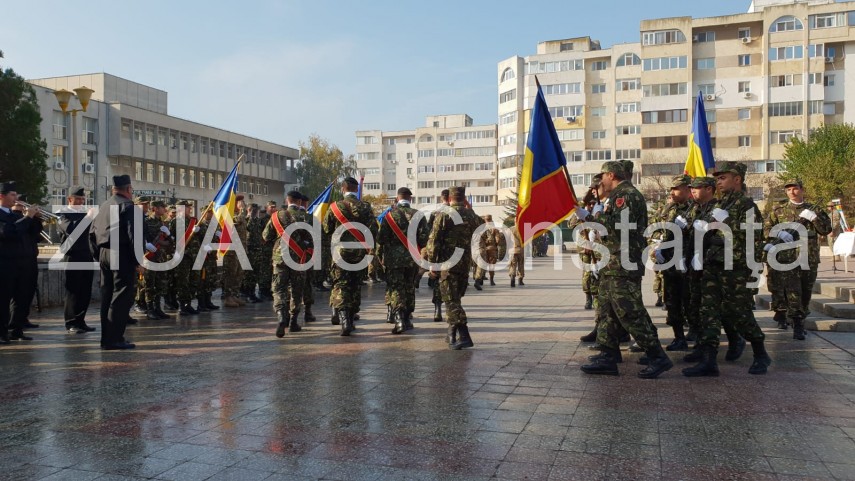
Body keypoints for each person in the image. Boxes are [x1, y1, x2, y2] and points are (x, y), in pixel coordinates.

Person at [578, 161, 673, 378]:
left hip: (623, 262)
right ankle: (608, 356)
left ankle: (658, 356)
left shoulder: (627, 195)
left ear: (611, 175)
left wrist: (592, 217)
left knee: (629, 312)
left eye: (602, 176)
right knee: (607, 311)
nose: (600, 181)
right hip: (612, 262)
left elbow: (618, 227)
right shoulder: (617, 196)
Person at [683, 162, 771, 376]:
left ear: (737, 179)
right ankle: (709, 361)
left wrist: (724, 224)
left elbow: (751, 237)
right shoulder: (722, 205)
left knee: (738, 313)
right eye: (717, 178)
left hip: (736, 267)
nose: (718, 182)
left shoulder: (746, 205)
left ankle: (761, 353)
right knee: (708, 312)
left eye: (723, 178)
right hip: (713, 265)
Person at [763, 178, 832, 340]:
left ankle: (800, 317)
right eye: (788, 190)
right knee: (793, 292)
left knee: (806, 291)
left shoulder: (814, 209)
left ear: (802, 189)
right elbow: (766, 228)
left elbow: (826, 230)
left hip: (809, 257)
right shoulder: (778, 210)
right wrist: (778, 233)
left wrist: (814, 218)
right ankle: (797, 324)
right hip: (787, 258)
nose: (792, 192)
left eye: (795, 189)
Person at [425, 186, 484, 349]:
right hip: (465, 263)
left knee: (450, 300)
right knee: (454, 298)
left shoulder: (444, 215)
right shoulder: (473, 216)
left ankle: (464, 334)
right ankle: (451, 334)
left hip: (447, 264)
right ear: (463, 198)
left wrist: (432, 264)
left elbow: (433, 241)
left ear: (450, 198)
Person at [323, 177, 376, 336]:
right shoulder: (365, 207)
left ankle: (344, 319)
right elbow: (373, 229)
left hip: (340, 252)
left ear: (343, 189)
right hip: (359, 252)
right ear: (356, 189)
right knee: (355, 284)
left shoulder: (335, 207)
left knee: (341, 284)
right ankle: (351, 319)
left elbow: (326, 229)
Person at [90, 175, 139, 350]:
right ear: (129, 189)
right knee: (121, 298)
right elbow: (134, 235)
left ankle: (106, 338)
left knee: (107, 296)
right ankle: (115, 339)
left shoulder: (104, 206)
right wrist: (138, 260)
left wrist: (99, 255)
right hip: (121, 254)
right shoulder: (127, 206)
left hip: (105, 253)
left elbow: (92, 233)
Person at [376, 187, 429, 334]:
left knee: (396, 288)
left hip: (393, 260)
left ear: (397, 198)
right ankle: (407, 319)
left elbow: (381, 238)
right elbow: (425, 239)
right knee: (409, 287)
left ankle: (398, 320)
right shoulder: (418, 215)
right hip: (412, 258)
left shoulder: (389, 216)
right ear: (410, 199)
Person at [653, 175, 694, 351]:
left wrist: (688, 228)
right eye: (671, 189)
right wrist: (657, 246)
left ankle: (695, 333)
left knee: (691, 301)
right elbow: (655, 227)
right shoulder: (668, 209)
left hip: (689, 263)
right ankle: (679, 337)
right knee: (672, 301)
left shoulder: (696, 209)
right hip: (670, 262)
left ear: (688, 189)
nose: (672, 192)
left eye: (676, 188)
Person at [264, 191, 313, 336]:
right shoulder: (306, 217)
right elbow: (313, 238)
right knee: (297, 290)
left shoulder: (277, 216)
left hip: (280, 257)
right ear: (299, 202)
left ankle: (280, 316)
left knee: (279, 288)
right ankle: (293, 321)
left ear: (287, 200)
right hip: (299, 258)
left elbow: (266, 236)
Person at [0, 182, 41, 343]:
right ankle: (2, 333)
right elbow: (9, 233)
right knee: (3, 300)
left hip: (22, 264)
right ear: (1, 196)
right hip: (5, 264)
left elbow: (33, 233)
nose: (16, 198)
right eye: (12, 195)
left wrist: (35, 218)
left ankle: (16, 330)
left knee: (22, 298)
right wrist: (27, 217)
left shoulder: (13, 214)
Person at [58, 186, 97, 334]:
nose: (81, 201)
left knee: (85, 291)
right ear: (70, 199)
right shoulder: (63, 214)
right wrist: (88, 218)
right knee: (73, 291)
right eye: (78, 199)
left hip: (87, 254)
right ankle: (71, 322)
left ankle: (81, 320)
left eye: (82, 199)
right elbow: (71, 231)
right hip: (73, 256)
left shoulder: (83, 214)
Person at [9, 194, 43, 333]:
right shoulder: (13, 217)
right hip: (17, 260)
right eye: (19, 203)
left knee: (28, 292)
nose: (22, 206)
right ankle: (14, 323)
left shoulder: (28, 218)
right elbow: (16, 231)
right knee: (18, 295)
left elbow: (36, 233)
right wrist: (27, 216)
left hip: (30, 259)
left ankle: (22, 319)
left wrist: (36, 217)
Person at [170, 201, 201, 315]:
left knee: (194, 280)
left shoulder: (193, 221)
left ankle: (188, 303)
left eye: (190, 207)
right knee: (183, 281)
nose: (190, 209)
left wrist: (199, 230)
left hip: (194, 255)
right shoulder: (175, 222)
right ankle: (183, 305)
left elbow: (200, 236)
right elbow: (172, 238)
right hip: (183, 255)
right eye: (188, 207)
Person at [142, 200, 172, 320]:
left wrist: (169, 235)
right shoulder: (146, 222)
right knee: (150, 284)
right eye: (161, 207)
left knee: (160, 284)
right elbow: (139, 236)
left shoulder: (163, 223)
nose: (164, 209)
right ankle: (150, 309)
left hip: (161, 258)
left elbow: (169, 243)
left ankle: (158, 308)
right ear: (154, 208)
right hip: (150, 258)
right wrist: (146, 244)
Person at [223, 196, 248, 308]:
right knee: (230, 274)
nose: (242, 203)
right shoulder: (228, 215)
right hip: (231, 251)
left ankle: (234, 295)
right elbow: (238, 220)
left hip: (241, 249)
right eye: (240, 202)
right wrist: (242, 210)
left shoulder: (240, 215)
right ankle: (228, 297)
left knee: (239, 274)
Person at [299, 194, 317, 323]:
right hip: (307, 255)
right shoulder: (310, 218)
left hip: (288, 256)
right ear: (305, 204)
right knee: (307, 283)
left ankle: (289, 315)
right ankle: (307, 312)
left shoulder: (283, 216)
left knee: (289, 284)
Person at [241, 203, 263, 303]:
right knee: (248, 273)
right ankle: (247, 293)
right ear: (249, 210)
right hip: (249, 250)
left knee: (255, 273)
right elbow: (249, 229)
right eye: (255, 210)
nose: (257, 212)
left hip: (257, 250)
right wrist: (251, 217)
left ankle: (252, 292)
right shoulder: (245, 220)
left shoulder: (258, 221)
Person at [257, 201, 277, 301]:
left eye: (274, 207)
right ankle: (262, 291)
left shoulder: (276, 219)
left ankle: (268, 290)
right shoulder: (263, 220)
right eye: (271, 207)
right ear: (266, 208)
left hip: (274, 249)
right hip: (265, 249)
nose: (273, 209)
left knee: (271, 271)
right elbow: (260, 234)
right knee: (264, 270)